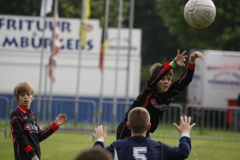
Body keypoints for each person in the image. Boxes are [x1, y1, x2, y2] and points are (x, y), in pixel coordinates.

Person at [116, 49, 204, 139]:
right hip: (128, 128)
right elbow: (157, 75)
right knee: (122, 153)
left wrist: (192, 60)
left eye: (169, 79)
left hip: (145, 131)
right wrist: (173, 63)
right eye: (163, 79)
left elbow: (186, 80)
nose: (166, 82)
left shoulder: (171, 91)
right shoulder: (149, 89)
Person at [93, 107, 195, 160]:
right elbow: (184, 152)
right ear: (149, 126)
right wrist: (185, 133)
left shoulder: (117, 146)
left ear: (128, 126)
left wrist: (100, 140)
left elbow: (95, 156)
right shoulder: (159, 147)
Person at [10, 82, 67, 160]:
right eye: (22, 95)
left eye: (28, 94)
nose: (26, 97)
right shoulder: (16, 114)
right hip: (25, 157)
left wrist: (55, 125)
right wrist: (33, 155)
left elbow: (39, 136)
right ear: (17, 97)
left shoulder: (32, 115)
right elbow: (20, 139)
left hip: (35, 156)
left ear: (32, 97)